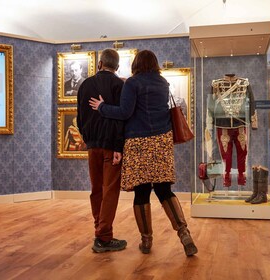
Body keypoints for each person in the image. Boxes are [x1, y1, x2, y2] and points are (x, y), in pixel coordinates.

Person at [90, 50, 198, 257]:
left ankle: (146, 241)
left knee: (142, 193)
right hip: (161, 141)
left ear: (136, 64)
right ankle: (184, 234)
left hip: (138, 142)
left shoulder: (132, 83)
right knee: (164, 190)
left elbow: (124, 112)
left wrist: (102, 107)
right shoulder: (163, 83)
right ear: (155, 64)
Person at [76, 48, 127, 253]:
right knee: (110, 191)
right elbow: (123, 118)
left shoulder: (85, 84)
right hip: (112, 147)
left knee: (96, 189)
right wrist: (118, 146)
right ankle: (104, 237)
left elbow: (79, 119)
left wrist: (88, 139)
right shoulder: (118, 85)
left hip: (93, 146)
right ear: (117, 67)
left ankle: (100, 230)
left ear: (99, 64)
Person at [206, 74, 257, 187]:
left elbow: (252, 102)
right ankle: (226, 175)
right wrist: (209, 123)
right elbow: (210, 105)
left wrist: (253, 121)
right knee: (225, 154)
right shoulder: (216, 84)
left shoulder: (245, 83)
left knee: (242, 152)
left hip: (241, 123)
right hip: (222, 124)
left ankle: (241, 175)